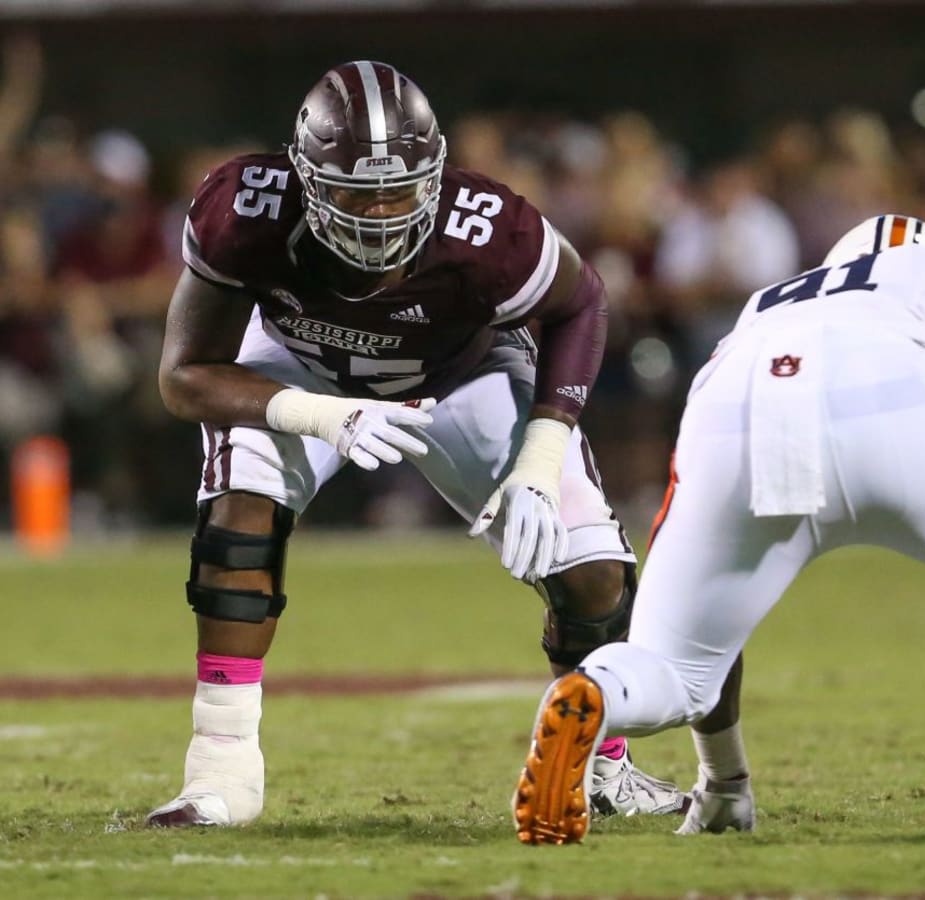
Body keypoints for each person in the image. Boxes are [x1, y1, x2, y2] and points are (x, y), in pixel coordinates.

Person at [146, 61, 685, 827]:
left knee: (594, 575)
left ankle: (602, 767)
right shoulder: (247, 205)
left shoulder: (487, 227)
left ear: (434, 175)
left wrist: (538, 462)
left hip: (460, 375)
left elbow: (581, 301)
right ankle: (221, 769)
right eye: (356, 193)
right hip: (299, 369)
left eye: (398, 191)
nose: (379, 213)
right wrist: (322, 416)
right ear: (304, 176)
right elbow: (184, 375)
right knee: (239, 515)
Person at [513, 213, 925, 844]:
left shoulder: (770, 301)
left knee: (676, 666)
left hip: (734, 412)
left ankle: (596, 692)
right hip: (891, 395)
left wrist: (726, 787)